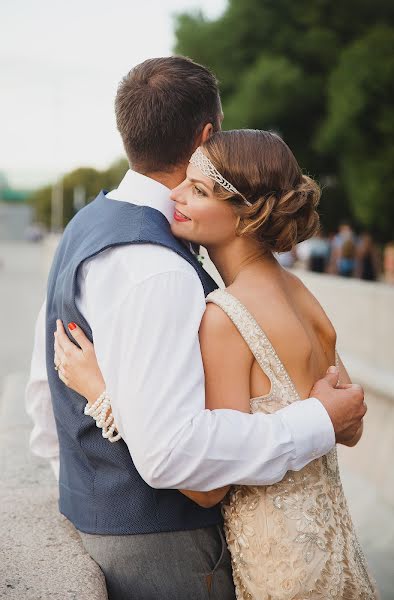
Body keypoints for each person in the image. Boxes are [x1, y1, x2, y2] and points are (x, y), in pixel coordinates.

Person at [26, 57, 367, 600]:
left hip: (244, 550)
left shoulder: (88, 226)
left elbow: (198, 478)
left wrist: (100, 401)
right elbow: (347, 416)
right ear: (207, 134)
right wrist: (325, 420)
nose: (180, 202)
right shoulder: (291, 293)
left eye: (202, 192)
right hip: (246, 540)